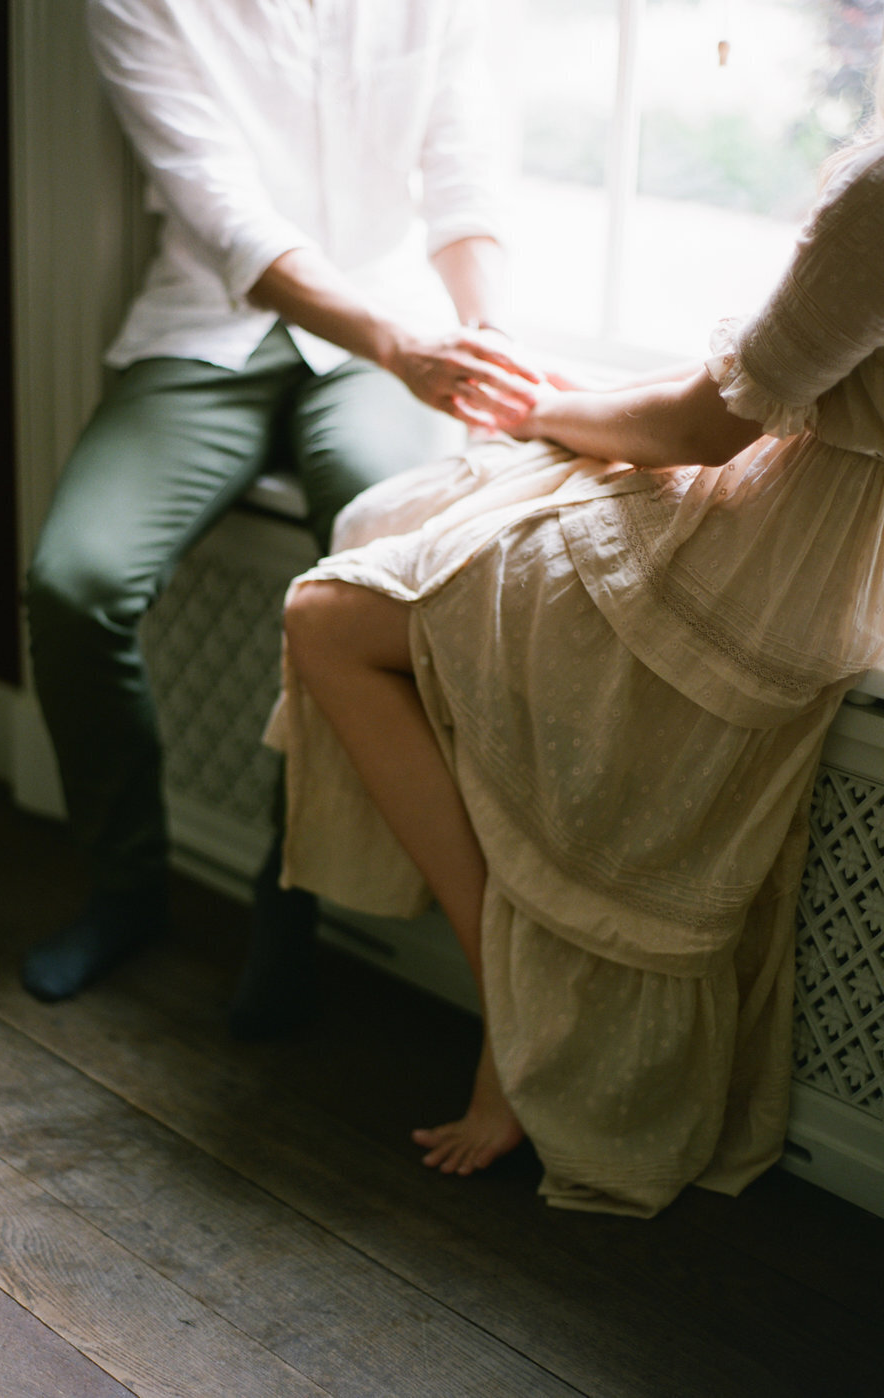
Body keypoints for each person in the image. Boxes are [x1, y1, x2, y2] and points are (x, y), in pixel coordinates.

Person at [268, 63, 884, 1214]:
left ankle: (506, 1001)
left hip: (741, 569)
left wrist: (534, 405)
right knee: (393, 515)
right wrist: (562, 393)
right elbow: (759, 384)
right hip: (811, 565)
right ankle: (503, 963)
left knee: (324, 615)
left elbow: (704, 428)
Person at [20, 0, 540, 1012]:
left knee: (368, 575)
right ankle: (125, 890)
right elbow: (224, 215)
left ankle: (288, 894)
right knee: (72, 584)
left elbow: (465, 178)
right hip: (209, 330)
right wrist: (401, 344)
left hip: (388, 353)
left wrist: (485, 348)